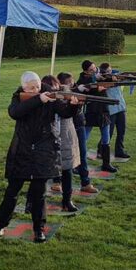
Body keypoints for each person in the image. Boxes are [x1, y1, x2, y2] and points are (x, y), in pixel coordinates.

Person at [0, 72, 78, 243]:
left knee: (39, 195)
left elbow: (65, 112)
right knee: (12, 193)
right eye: (31, 88)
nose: (36, 90)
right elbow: (15, 112)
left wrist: (75, 105)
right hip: (22, 151)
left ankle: (39, 229)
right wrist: (39, 99)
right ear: (23, 88)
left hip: (44, 152)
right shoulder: (19, 97)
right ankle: (1, 225)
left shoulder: (51, 96)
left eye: (37, 87)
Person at [44, 74, 80, 212]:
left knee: (67, 170)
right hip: (47, 139)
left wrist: (74, 105)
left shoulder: (66, 95)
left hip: (65, 138)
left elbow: (70, 113)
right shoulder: (40, 99)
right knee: (40, 175)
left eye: (55, 89)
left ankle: (67, 201)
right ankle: (32, 202)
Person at [77, 60, 117, 173]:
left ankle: (106, 164)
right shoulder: (83, 79)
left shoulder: (98, 75)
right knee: (84, 138)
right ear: (85, 71)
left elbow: (108, 80)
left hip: (103, 110)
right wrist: (96, 86)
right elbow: (85, 87)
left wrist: (112, 79)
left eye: (95, 68)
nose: (94, 70)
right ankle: (78, 164)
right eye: (91, 69)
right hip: (91, 110)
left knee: (106, 138)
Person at [99, 63, 130, 159]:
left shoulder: (116, 75)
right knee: (109, 132)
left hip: (121, 107)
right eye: (107, 71)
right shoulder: (101, 79)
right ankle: (100, 150)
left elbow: (127, 78)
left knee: (122, 131)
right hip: (110, 109)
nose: (109, 73)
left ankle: (119, 151)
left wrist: (123, 76)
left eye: (110, 70)